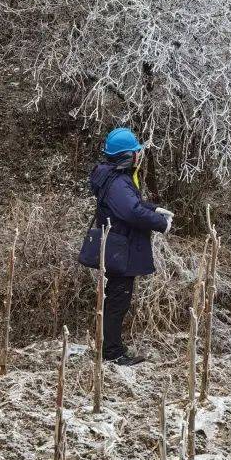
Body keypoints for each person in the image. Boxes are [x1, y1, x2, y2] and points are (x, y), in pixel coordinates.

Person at [77, 128, 172, 366]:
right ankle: (112, 352)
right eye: (136, 152)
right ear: (127, 156)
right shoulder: (118, 181)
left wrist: (153, 208)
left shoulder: (114, 177)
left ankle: (109, 346)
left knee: (115, 299)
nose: (140, 155)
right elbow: (130, 210)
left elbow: (132, 203)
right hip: (121, 250)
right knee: (118, 301)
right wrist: (161, 223)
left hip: (117, 246)